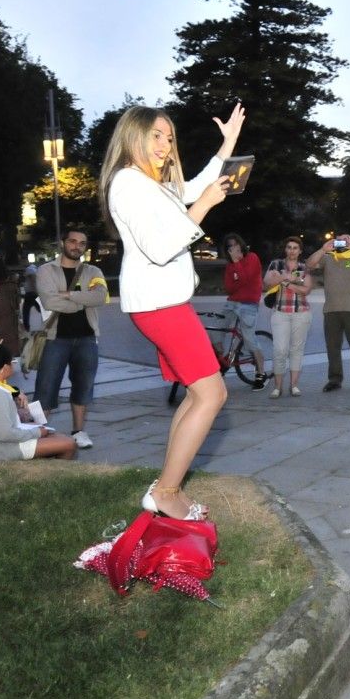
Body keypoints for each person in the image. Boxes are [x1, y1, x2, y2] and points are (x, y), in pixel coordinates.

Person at [101, 102, 245, 520]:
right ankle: (165, 491)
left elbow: (198, 183)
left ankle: (166, 487)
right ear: (133, 136)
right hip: (159, 305)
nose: (165, 145)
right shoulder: (128, 184)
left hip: (166, 302)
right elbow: (161, 248)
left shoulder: (154, 183)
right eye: (156, 136)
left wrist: (228, 143)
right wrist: (203, 209)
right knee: (213, 393)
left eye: (169, 137)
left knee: (199, 393)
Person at [34, 228, 106, 449]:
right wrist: (84, 300)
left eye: (82, 243)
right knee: (45, 387)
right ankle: (38, 433)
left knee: (84, 386)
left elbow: (101, 297)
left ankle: (79, 431)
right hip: (56, 338)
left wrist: (70, 295)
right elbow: (49, 302)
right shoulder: (46, 271)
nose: (77, 246)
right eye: (73, 241)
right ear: (63, 243)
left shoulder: (93, 271)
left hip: (86, 338)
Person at [0, 344, 76, 462]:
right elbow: (5, 435)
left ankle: (52, 470)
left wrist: (35, 429)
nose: (14, 364)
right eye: (13, 361)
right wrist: (37, 432)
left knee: (58, 436)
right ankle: (57, 474)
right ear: (5, 368)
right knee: (69, 444)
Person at [304, 233, 350, 392]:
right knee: (332, 347)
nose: (343, 242)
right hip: (331, 311)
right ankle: (335, 379)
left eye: (346, 239)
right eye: (340, 239)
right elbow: (309, 264)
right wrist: (322, 249)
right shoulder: (328, 257)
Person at [263, 235, 313, 399]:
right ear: (285, 249)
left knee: (297, 349)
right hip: (280, 313)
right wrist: (285, 278)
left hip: (301, 313)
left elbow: (306, 290)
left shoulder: (303, 267)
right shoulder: (276, 264)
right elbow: (267, 283)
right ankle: (277, 387)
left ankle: (294, 385)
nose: (292, 250)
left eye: (295, 248)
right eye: (289, 247)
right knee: (280, 350)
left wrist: (286, 282)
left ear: (300, 251)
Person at [221, 232, 267, 391]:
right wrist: (234, 266)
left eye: (235, 244)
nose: (233, 248)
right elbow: (229, 288)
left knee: (249, 338)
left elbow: (246, 278)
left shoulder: (252, 258)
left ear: (241, 244)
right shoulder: (230, 265)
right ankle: (223, 362)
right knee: (215, 331)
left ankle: (261, 373)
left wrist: (237, 263)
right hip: (232, 302)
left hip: (248, 304)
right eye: (229, 247)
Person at [20, 260, 40, 331]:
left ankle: (26, 327)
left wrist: (36, 291)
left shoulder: (29, 269)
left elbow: (33, 280)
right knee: (39, 309)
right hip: (32, 292)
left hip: (31, 293)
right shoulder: (33, 268)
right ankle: (49, 323)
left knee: (26, 311)